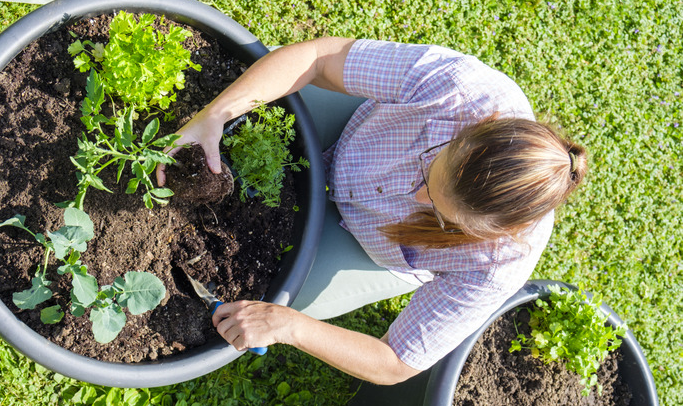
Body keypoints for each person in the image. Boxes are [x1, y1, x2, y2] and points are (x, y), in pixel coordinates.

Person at [156, 38, 587, 385]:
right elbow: (319, 59)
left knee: (262, 297)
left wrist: (290, 326)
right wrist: (213, 116)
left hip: (368, 246)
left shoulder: (497, 266)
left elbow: (395, 361)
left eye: (440, 215)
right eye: (430, 171)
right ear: (468, 133)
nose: (417, 199)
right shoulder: (461, 90)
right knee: (248, 90)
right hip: (352, 133)